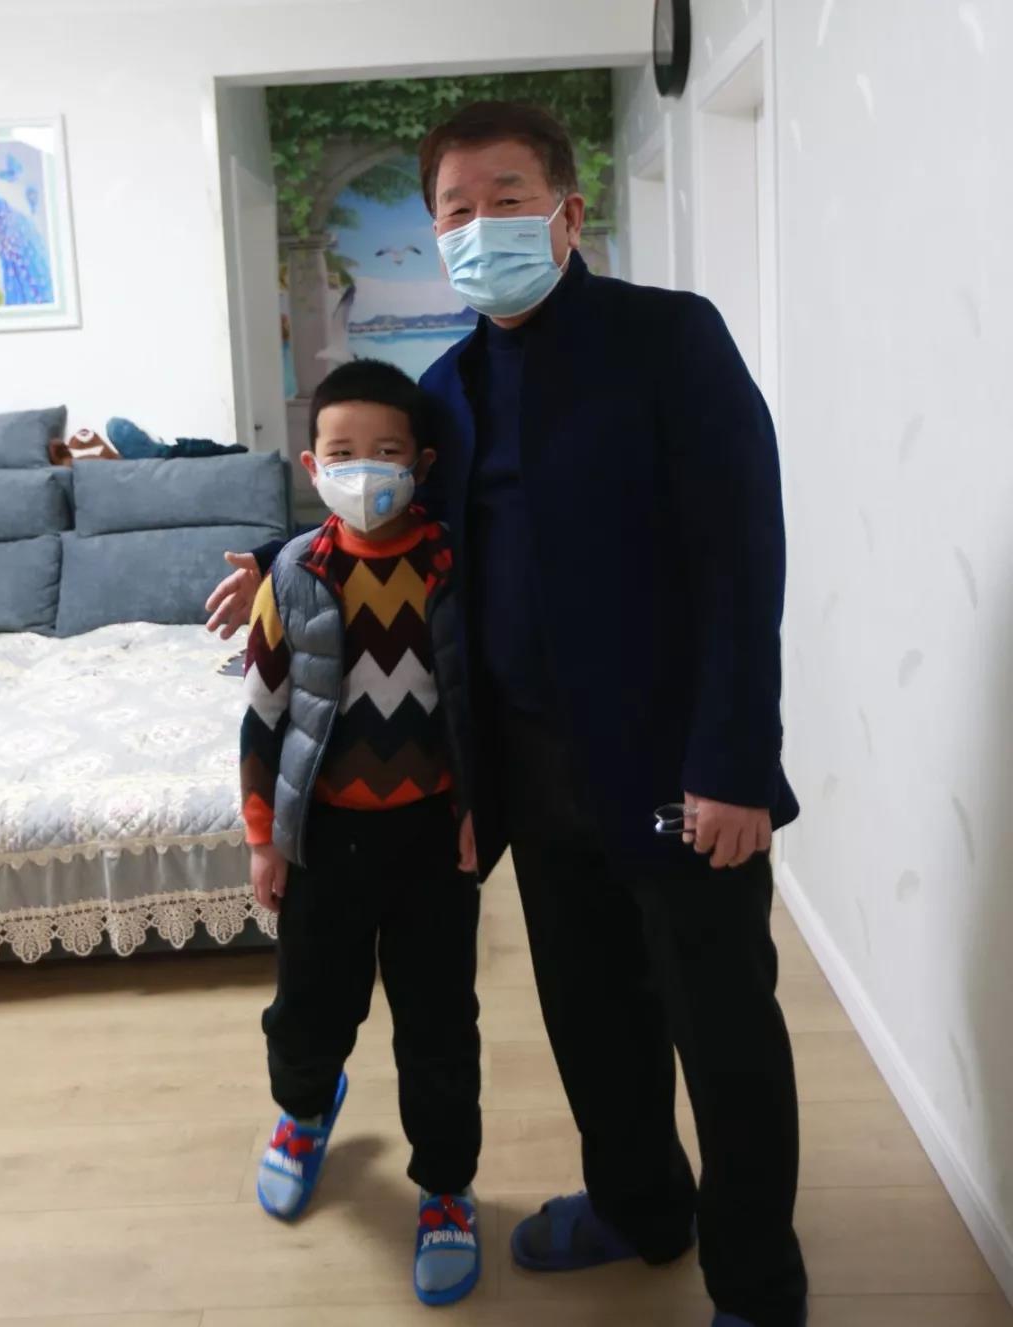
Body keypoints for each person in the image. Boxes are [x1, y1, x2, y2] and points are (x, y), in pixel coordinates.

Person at [212, 102, 807, 1327]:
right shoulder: (450, 391)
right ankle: (640, 1205)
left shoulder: (670, 341)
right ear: (438, 236)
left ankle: (758, 1281)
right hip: (529, 772)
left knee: (723, 1032)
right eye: (457, 210)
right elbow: (392, 514)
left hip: (677, 766)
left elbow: (743, 556)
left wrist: (737, 761)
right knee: (593, 1017)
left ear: (568, 213)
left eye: (510, 199)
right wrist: (277, 557)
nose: (483, 225)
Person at [240, 359, 482, 1308]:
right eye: (343, 453)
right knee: (309, 1005)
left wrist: (480, 812)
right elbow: (262, 716)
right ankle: (304, 1112)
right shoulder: (296, 573)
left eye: (387, 451)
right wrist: (264, 837)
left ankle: (446, 1186)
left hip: (432, 843)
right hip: (324, 841)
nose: (365, 469)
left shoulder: (455, 565)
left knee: (439, 1025)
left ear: (422, 464)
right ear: (312, 465)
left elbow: (481, 707)